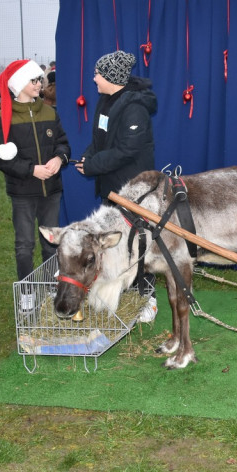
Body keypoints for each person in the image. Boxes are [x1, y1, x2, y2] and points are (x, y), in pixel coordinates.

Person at [76, 50, 158, 321]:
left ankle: (148, 299)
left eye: (98, 73)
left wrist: (92, 165)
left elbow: (126, 151)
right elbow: (101, 140)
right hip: (112, 191)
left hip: (133, 194)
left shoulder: (134, 108)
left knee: (139, 246)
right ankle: (121, 291)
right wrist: (89, 156)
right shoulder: (106, 101)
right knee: (118, 246)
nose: (94, 78)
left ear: (112, 77)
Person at [0, 60, 70, 306]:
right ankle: (26, 293)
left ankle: (48, 287)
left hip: (51, 191)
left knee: (50, 243)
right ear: (19, 84)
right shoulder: (2, 118)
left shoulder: (50, 112)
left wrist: (59, 158)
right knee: (24, 245)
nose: (39, 84)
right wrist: (31, 170)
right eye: (33, 80)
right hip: (23, 192)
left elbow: (63, 142)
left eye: (39, 80)